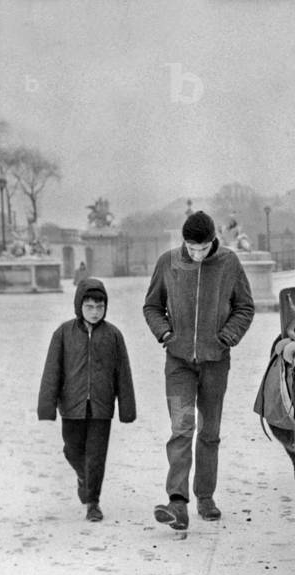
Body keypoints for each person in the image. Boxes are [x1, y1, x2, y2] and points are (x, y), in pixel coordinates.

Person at [143, 210, 255, 531]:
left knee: (208, 432)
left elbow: (244, 307)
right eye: (191, 248)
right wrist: (165, 333)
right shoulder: (168, 263)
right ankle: (177, 503)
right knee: (182, 429)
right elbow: (152, 305)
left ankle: (205, 496)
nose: (196, 254)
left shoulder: (229, 263)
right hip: (178, 363)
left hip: (215, 363)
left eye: (202, 248)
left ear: (212, 242)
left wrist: (226, 337)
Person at [38, 278, 136, 522]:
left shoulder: (113, 335)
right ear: (79, 306)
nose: (94, 312)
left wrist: (127, 408)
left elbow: (123, 372)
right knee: (72, 450)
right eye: (89, 307)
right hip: (71, 406)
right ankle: (84, 476)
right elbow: (52, 370)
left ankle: (93, 502)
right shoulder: (63, 333)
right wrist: (47, 406)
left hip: (102, 407)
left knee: (96, 455)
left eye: (99, 307)